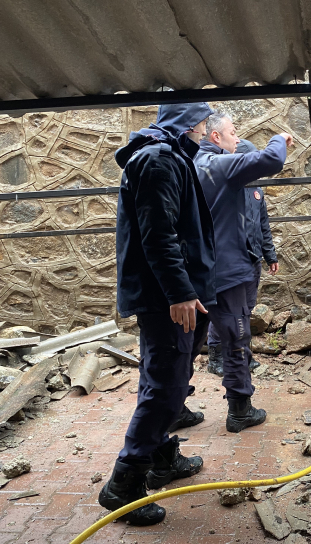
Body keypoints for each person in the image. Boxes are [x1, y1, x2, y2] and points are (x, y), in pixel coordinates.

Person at [98, 102, 215, 525]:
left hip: (177, 294)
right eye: (203, 122)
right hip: (169, 298)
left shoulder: (167, 156)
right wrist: (180, 292)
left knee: (166, 380)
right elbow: (158, 233)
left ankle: (162, 457)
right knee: (166, 386)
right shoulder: (159, 159)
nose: (206, 130)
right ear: (189, 122)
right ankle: (123, 484)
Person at [194, 113, 292, 433]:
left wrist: (267, 254)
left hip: (198, 272)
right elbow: (272, 159)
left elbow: (259, 224)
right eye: (233, 133)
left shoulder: (190, 166)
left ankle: (172, 407)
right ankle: (239, 410)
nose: (236, 139)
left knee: (187, 342)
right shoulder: (219, 166)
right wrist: (279, 138)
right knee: (237, 338)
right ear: (215, 137)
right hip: (227, 271)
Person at [207, 139, 279, 377]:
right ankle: (216, 356)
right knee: (224, 309)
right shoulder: (227, 189)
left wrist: (270, 256)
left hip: (252, 259)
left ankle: (242, 355)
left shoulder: (257, 192)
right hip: (231, 260)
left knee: (246, 309)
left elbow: (263, 226)